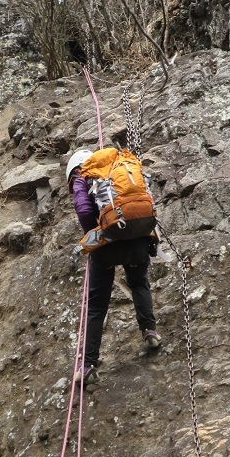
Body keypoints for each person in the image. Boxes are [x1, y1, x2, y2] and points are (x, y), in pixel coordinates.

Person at [66, 148, 161, 386]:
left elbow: (85, 210)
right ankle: (149, 331)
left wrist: (95, 236)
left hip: (106, 248)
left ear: (74, 169)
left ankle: (88, 366)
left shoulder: (83, 177)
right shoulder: (121, 170)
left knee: (97, 306)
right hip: (138, 240)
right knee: (139, 282)